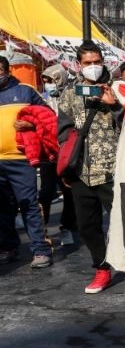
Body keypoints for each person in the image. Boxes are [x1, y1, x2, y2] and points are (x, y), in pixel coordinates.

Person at [58, 43, 125, 295]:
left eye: (97, 61)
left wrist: (115, 105)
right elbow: (63, 129)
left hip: (116, 169)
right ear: (78, 64)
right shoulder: (70, 92)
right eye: (87, 62)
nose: (93, 67)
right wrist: (67, 160)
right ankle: (102, 269)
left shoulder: (120, 88)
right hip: (81, 170)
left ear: (104, 61)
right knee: (88, 226)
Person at [0, 55, 54, 267]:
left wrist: (31, 124)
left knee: (29, 205)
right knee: (2, 207)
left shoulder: (25, 91)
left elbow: (47, 115)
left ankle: (41, 250)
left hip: (21, 159)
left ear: (7, 71)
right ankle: (7, 247)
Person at [37, 64, 77, 246]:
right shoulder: (41, 100)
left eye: (51, 81)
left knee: (68, 192)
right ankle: (41, 228)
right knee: (45, 192)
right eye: (45, 81)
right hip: (48, 154)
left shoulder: (71, 97)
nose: (48, 85)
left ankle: (67, 227)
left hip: (67, 152)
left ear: (60, 79)